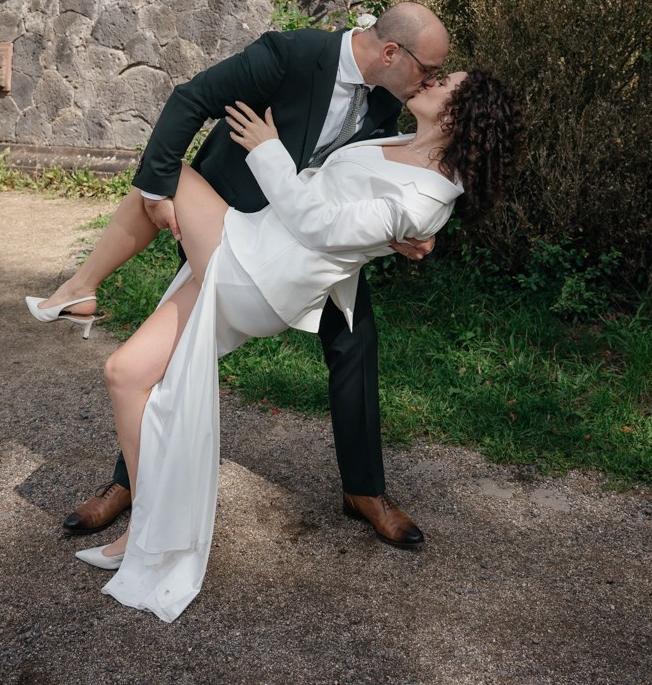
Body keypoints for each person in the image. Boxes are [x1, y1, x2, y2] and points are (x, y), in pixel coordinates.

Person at [29, 68, 519, 622]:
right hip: (250, 244)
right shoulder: (400, 142)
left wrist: (267, 150)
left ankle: (80, 287)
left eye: (447, 81)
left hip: (258, 275)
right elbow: (331, 190)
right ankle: (146, 535)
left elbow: (318, 224)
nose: (432, 80)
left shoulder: (427, 197)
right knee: (125, 373)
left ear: (463, 112)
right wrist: (389, 237)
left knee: (169, 166)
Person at [29, 4, 451, 548]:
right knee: (168, 351)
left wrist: (406, 230)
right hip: (229, 223)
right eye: (428, 70)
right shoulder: (291, 54)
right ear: (392, 52)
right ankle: (127, 484)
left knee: (355, 341)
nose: (431, 81)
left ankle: (365, 490)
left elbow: (369, 189)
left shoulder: (390, 104)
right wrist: (158, 192)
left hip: (310, 245)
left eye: (437, 77)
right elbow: (191, 99)